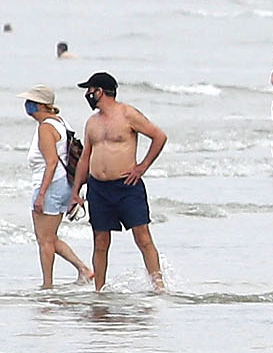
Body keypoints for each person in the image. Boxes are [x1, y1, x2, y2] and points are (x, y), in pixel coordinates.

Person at [74, 73, 168, 291]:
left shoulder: (128, 114)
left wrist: (142, 167)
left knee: (142, 237)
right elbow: (85, 157)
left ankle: (158, 285)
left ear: (101, 91)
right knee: (100, 240)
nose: (88, 94)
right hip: (98, 188)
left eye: (90, 89)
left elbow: (159, 136)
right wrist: (76, 191)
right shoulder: (92, 122)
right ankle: (99, 289)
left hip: (126, 185)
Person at [26, 84, 91, 287]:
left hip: (52, 186)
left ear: (40, 105)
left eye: (30, 102)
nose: (26, 106)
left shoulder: (46, 127)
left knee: (44, 241)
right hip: (64, 185)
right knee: (50, 238)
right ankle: (84, 269)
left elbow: (52, 162)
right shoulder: (60, 122)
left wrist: (41, 194)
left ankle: (47, 285)